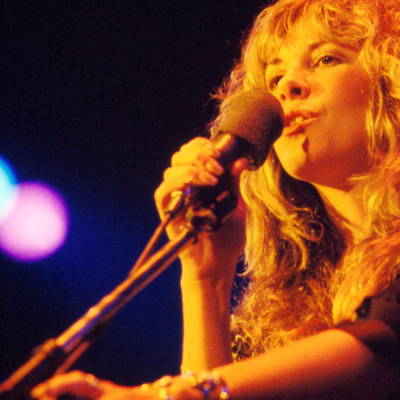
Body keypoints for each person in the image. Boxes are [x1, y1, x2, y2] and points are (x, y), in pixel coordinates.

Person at [30, 0, 400, 399]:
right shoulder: (288, 311)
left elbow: (384, 350)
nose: (287, 86)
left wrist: (157, 395)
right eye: (274, 77)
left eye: (327, 58)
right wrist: (206, 276)